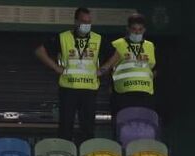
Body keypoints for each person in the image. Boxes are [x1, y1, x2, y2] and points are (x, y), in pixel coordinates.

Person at [35, 7, 104, 142]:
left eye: (89, 22)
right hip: (68, 88)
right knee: (66, 126)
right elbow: (39, 51)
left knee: (88, 127)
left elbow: (117, 54)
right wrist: (56, 67)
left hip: (89, 89)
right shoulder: (63, 37)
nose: (86, 25)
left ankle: (87, 155)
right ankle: (65, 152)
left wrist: (104, 69)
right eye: (83, 21)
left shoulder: (97, 38)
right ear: (76, 21)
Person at [102, 13, 156, 114]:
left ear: (144, 30)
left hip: (145, 94)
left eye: (140, 29)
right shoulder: (117, 45)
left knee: (143, 126)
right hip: (122, 94)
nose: (137, 32)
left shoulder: (150, 46)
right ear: (128, 29)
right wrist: (109, 86)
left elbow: (154, 68)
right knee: (122, 124)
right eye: (134, 29)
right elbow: (107, 68)